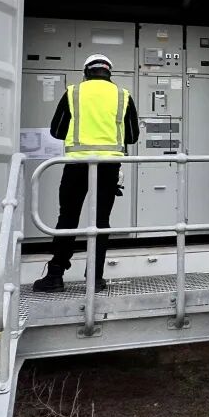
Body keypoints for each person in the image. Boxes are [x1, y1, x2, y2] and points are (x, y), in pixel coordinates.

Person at [33, 54, 139, 293]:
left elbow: (57, 130)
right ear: (109, 73)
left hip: (77, 164)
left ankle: (55, 275)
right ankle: (94, 279)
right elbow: (132, 136)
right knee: (101, 222)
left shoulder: (74, 92)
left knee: (67, 218)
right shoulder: (123, 95)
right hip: (109, 167)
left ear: (85, 72)